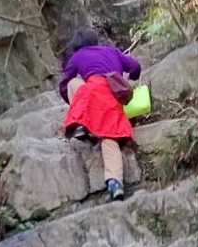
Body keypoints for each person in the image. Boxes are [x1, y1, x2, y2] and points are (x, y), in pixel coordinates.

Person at [58, 29, 143, 202]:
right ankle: (115, 183)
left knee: (73, 83)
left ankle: (81, 123)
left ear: (77, 45)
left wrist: (73, 103)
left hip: (92, 94)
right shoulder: (112, 51)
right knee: (109, 137)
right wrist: (131, 78)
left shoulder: (78, 56)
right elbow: (135, 67)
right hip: (113, 97)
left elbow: (64, 84)